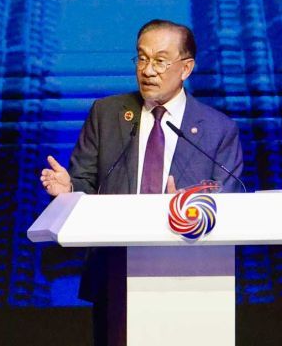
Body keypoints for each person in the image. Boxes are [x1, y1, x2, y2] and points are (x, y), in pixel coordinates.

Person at [40, 18, 244, 345]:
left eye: (160, 61)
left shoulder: (219, 130)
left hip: (191, 281)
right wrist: (68, 191)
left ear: (186, 68)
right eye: (142, 58)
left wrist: (190, 209)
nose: (148, 70)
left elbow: (228, 204)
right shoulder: (106, 114)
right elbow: (84, 184)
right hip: (115, 274)